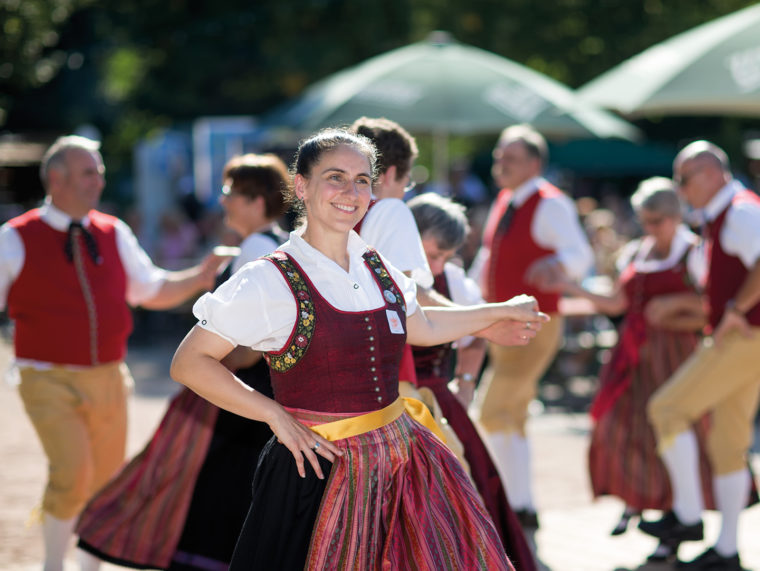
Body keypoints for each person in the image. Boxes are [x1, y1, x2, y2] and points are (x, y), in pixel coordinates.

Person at [170, 128, 550, 570]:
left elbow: (419, 325)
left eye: (363, 180)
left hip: (403, 462)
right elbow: (190, 362)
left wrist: (495, 315)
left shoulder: (373, 261)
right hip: (319, 470)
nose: (351, 192)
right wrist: (273, 414)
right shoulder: (269, 277)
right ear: (301, 185)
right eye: (336, 177)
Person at [0, 135, 225, 571]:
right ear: (56, 179)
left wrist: (200, 276)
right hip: (45, 375)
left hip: (109, 375)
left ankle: (89, 566)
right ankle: (52, 565)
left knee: (106, 479)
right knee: (72, 472)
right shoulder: (14, 237)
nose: (98, 181)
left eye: (99, 172)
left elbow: (152, 289)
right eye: (88, 172)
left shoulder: (113, 231)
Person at [75, 153, 290, 570]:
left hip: (240, 393)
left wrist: (211, 361)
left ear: (255, 200)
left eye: (230, 193)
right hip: (250, 392)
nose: (223, 201)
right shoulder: (268, 245)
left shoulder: (257, 250)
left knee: (194, 482)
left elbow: (252, 344)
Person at [558, 177, 715, 563]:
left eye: (657, 220)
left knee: (673, 439)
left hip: (678, 356)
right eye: (644, 220)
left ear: (677, 217)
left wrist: (673, 309)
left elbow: (711, 308)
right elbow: (616, 303)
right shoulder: (636, 251)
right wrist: (570, 288)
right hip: (633, 355)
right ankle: (638, 503)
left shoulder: (694, 252)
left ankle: (674, 529)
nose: (649, 228)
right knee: (624, 430)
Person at [639, 141, 760, 571]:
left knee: (667, 408)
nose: (679, 187)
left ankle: (689, 517)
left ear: (711, 174)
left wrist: (735, 309)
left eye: (683, 178)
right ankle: (727, 552)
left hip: (746, 339)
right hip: (747, 338)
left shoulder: (741, 211)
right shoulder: (722, 215)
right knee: (728, 444)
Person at [470, 124, 594, 527]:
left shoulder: (550, 203)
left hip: (535, 322)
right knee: (512, 414)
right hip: (501, 321)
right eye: (498, 157)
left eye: (511, 158)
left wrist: (557, 266)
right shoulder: (507, 199)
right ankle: (520, 505)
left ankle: (507, 503)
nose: (500, 164)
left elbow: (580, 255)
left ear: (535, 163)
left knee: (492, 411)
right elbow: (489, 258)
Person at [407, 192, 537, 571]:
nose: (436, 266)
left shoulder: (455, 283)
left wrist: (464, 384)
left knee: (463, 498)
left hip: (435, 403)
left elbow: (476, 336)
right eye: (430, 255)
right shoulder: (379, 278)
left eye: (444, 257)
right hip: (388, 405)